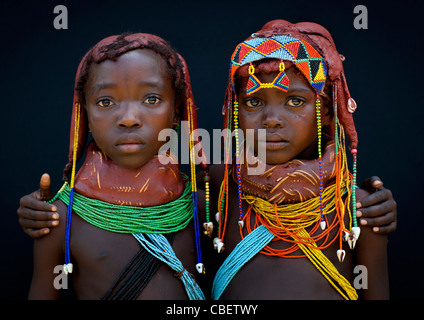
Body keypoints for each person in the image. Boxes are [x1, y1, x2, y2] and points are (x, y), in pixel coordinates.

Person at [201, 19, 390, 300]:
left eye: (295, 102)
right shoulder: (219, 187)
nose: (272, 120)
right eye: (254, 102)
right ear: (235, 109)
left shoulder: (355, 208)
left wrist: (379, 206)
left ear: (327, 111)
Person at [27, 33, 208, 300]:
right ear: (84, 114)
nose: (128, 119)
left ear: (176, 111)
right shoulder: (61, 218)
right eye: (106, 102)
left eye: (151, 99)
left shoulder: (204, 206)